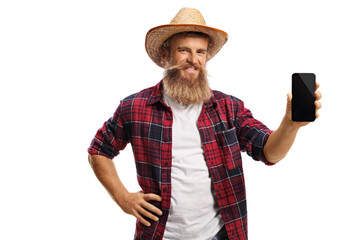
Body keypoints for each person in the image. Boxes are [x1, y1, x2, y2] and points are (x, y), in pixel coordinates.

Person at [87, 7, 322, 240]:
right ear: (166, 55)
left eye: (200, 52)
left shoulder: (229, 107)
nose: (193, 60)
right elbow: (99, 150)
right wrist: (123, 198)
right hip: (158, 234)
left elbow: (269, 151)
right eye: (183, 50)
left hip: (218, 234)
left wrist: (291, 124)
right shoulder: (135, 107)